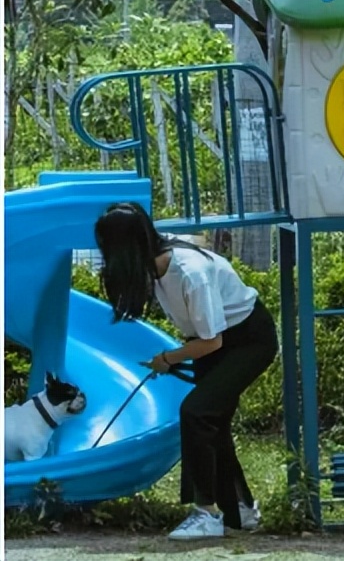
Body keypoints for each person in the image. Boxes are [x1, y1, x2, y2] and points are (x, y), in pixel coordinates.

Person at [94, 202, 278, 540]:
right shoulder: (157, 262)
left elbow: (212, 342)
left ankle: (205, 513)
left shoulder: (190, 273)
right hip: (213, 338)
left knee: (196, 412)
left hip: (247, 340)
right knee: (213, 423)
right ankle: (241, 512)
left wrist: (168, 359)